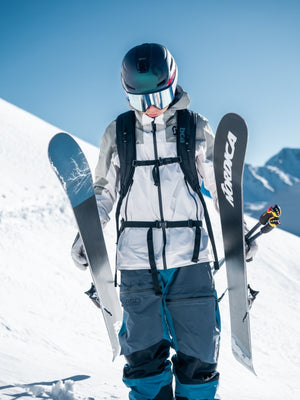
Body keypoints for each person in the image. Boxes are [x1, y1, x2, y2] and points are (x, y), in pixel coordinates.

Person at [72, 43, 257, 400]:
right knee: (142, 357)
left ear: (175, 85)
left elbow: (223, 190)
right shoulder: (119, 133)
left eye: (161, 96)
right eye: (142, 102)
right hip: (136, 263)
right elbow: (103, 193)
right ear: (128, 98)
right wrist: (88, 235)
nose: (153, 109)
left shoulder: (195, 128)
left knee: (200, 356)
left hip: (190, 260)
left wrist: (239, 232)